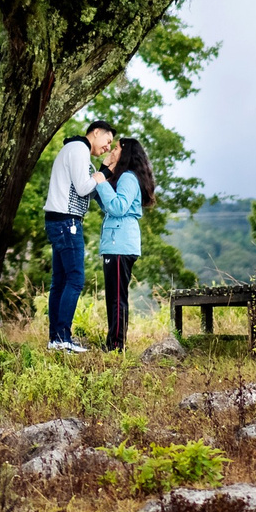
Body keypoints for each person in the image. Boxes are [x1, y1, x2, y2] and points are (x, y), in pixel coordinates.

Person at [41, 122, 115, 351]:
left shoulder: (75, 149)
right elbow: (84, 188)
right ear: (96, 132)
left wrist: (101, 172)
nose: (107, 147)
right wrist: (105, 172)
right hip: (67, 222)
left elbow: (85, 191)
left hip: (59, 221)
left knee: (60, 281)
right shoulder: (79, 150)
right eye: (108, 141)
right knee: (75, 280)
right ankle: (63, 338)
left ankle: (56, 339)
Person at [92, 132, 155, 353]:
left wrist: (102, 183)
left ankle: (117, 346)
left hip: (120, 244)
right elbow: (107, 203)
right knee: (114, 297)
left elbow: (118, 207)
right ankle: (113, 342)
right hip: (116, 243)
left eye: (117, 148)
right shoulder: (124, 177)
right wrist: (103, 172)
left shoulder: (128, 177)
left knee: (117, 298)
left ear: (126, 152)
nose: (113, 150)